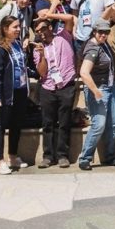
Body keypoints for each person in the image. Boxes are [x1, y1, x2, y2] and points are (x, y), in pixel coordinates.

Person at [0, 15, 36, 174]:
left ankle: (13, 156)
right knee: (1, 126)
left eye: (18, 26)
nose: (18, 30)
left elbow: (22, 67)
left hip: (21, 91)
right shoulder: (0, 48)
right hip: (6, 93)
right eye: (14, 27)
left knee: (17, 124)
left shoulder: (17, 44)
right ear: (5, 29)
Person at [31, 18, 76, 169]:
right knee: (47, 124)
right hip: (48, 87)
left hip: (66, 85)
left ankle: (63, 155)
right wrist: (43, 55)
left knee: (64, 123)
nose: (40, 34)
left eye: (42, 29)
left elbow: (70, 18)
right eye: (37, 31)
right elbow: (42, 72)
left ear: (50, 27)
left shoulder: (64, 37)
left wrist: (50, 12)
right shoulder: (38, 48)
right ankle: (48, 156)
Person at [77, 19, 115, 170]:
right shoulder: (93, 49)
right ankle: (85, 158)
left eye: (106, 32)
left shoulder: (103, 44)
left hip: (110, 88)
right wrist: (96, 91)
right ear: (94, 32)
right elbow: (84, 72)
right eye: (100, 32)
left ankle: (110, 156)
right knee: (99, 124)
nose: (104, 34)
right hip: (99, 89)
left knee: (114, 124)